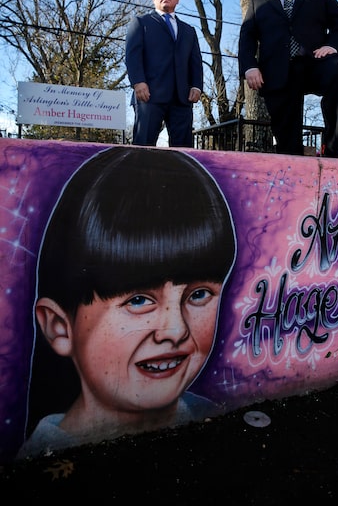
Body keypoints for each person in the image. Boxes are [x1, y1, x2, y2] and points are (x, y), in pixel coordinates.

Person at [17, 146, 236, 458]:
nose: (175, 331)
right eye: (139, 300)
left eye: (198, 295)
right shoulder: (39, 460)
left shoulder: (210, 415)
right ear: (60, 327)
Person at [238, 0, 338, 159]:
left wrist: (333, 46)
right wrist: (250, 66)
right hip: (277, 72)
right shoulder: (259, 3)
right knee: (288, 147)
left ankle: (334, 147)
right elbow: (247, 37)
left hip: (315, 63)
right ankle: (290, 161)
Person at [125, 0, 203, 147]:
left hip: (182, 99)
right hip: (149, 96)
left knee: (184, 153)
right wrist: (138, 82)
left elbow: (195, 61)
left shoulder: (189, 31)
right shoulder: (141, 23)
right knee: (143, 148)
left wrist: (196, 86)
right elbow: (132, 55)